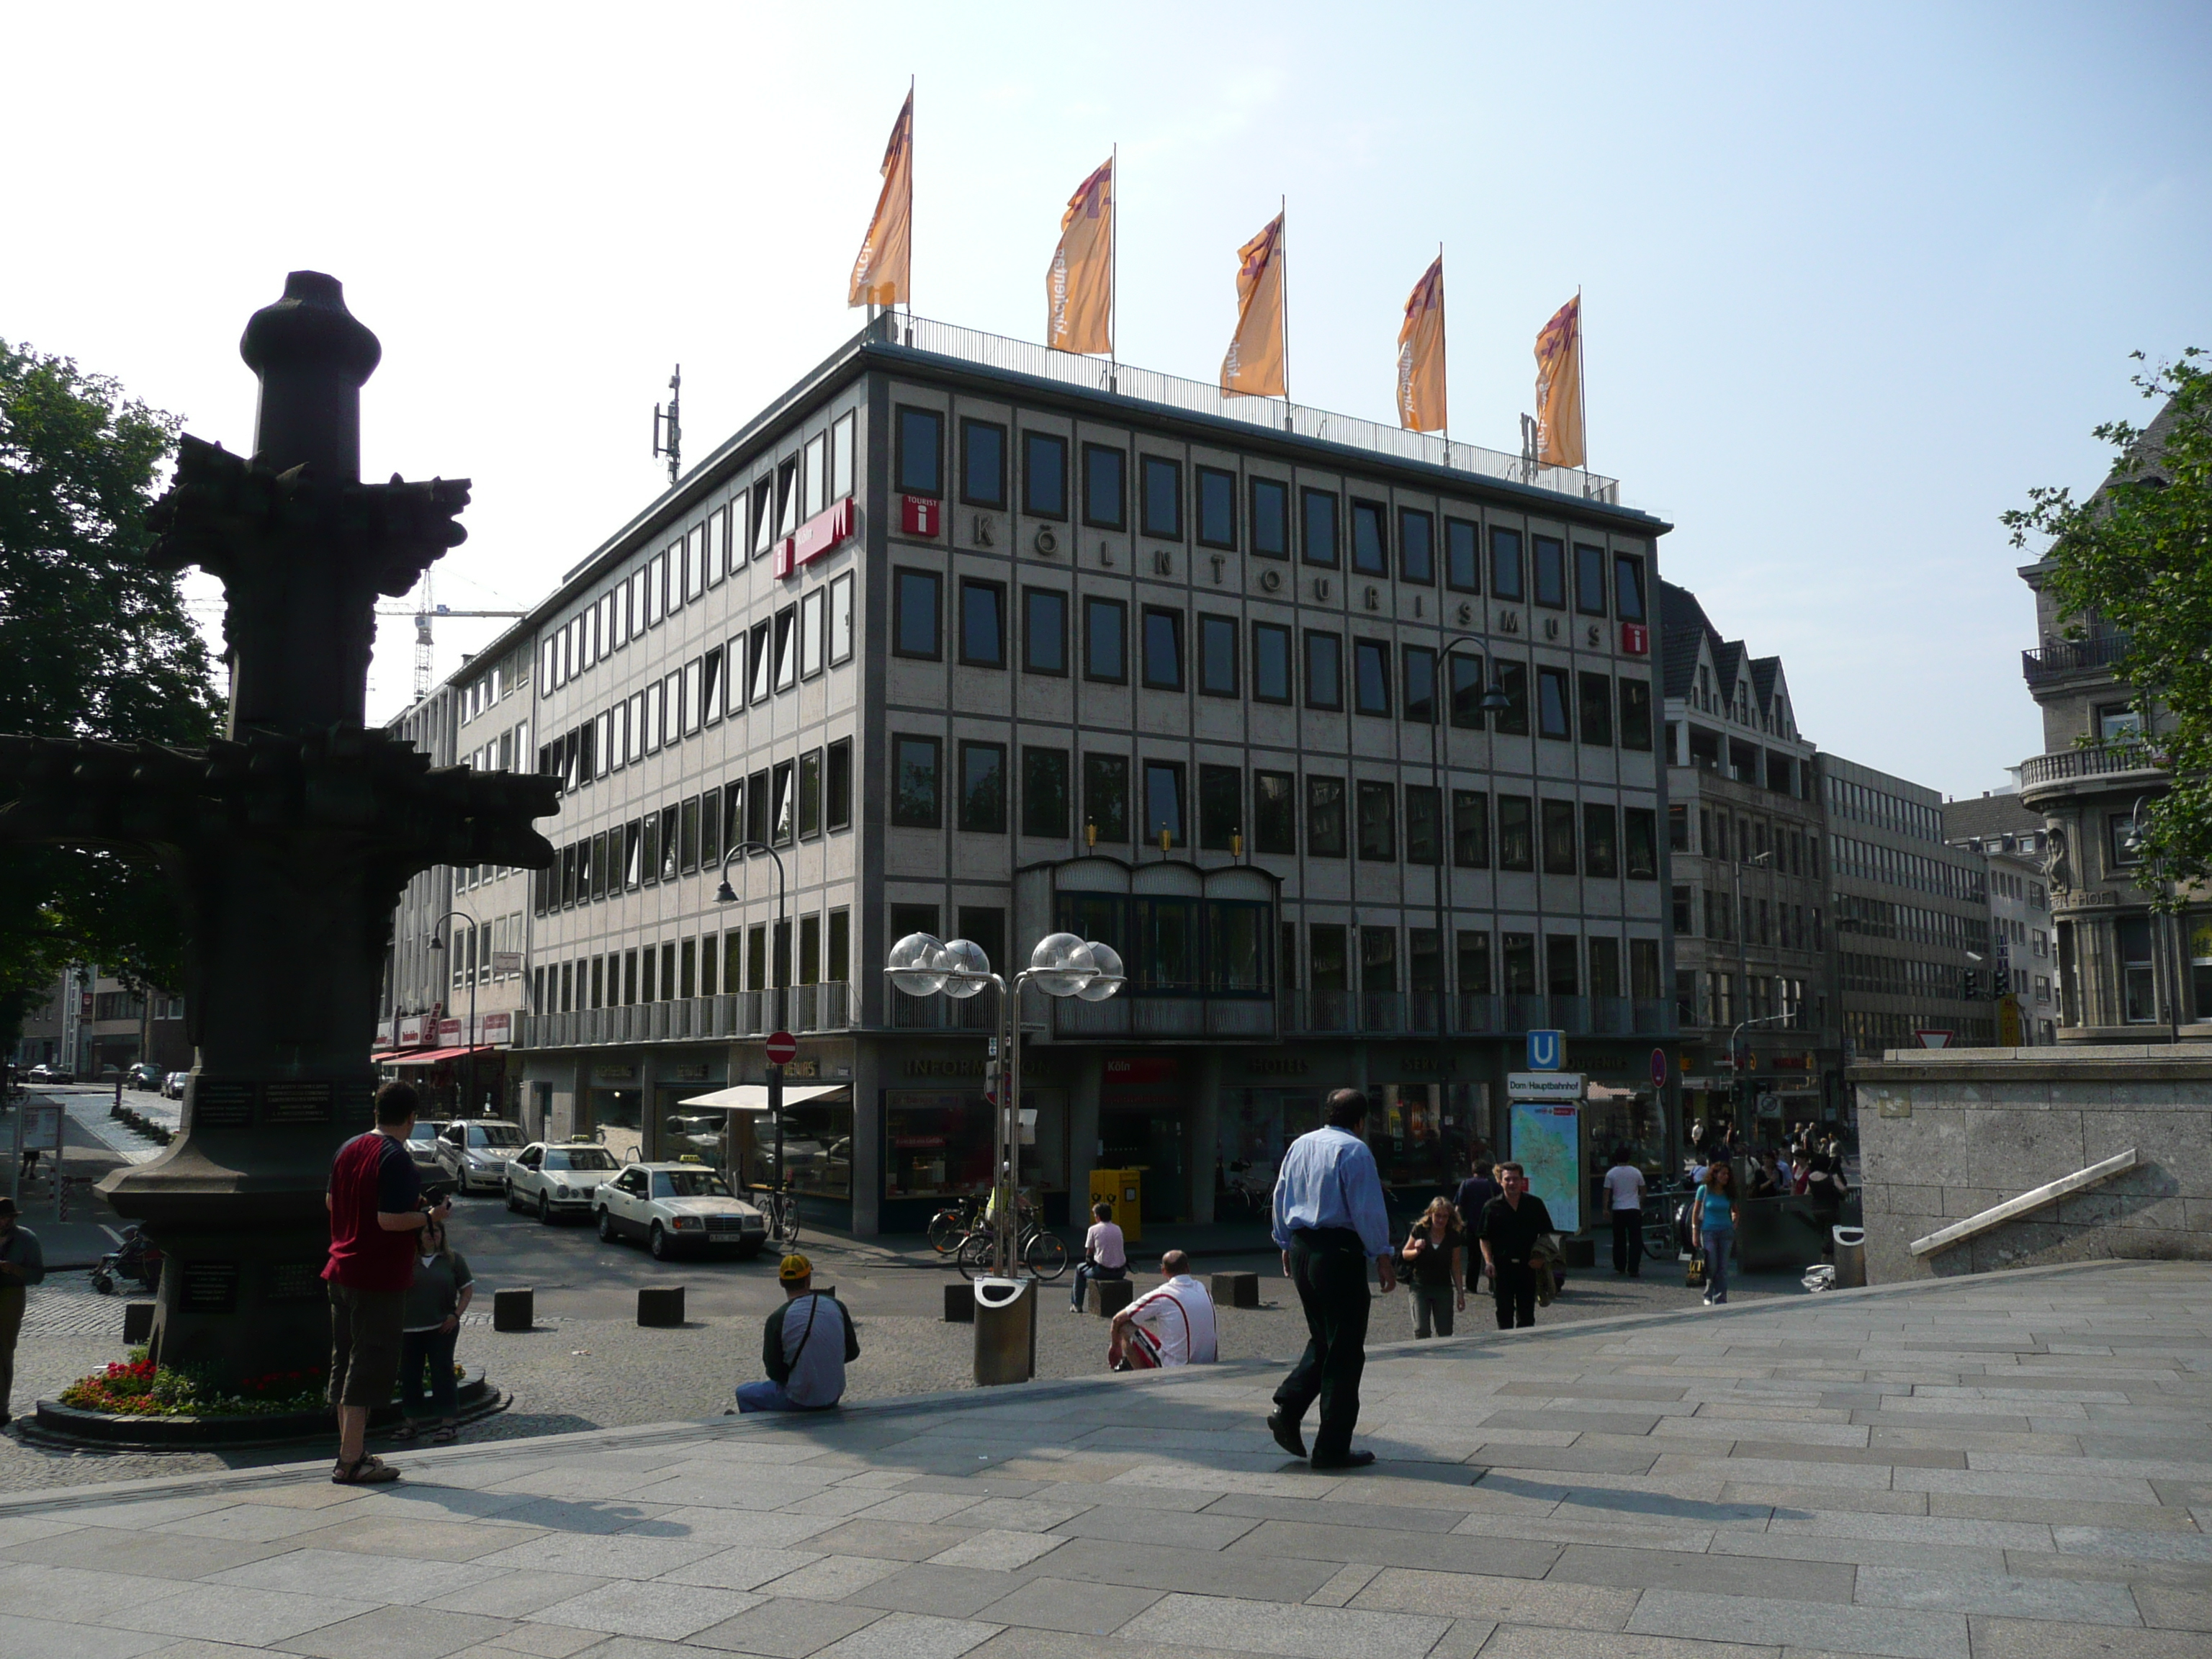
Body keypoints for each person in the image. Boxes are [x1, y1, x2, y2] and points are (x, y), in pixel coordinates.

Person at [325, 1080, 448, 1484]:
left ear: (376, 1112)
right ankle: (352, 1460)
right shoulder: (396, 1158)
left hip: (340, 1270)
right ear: (411, 1118)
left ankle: (351, 1452)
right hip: (376, 1277)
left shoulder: (349, 1147)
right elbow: (389, 1221)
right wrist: (432, 1217)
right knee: (368, 1366)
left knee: (344, 1361)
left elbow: (331, 1201)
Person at [1267, 1087, 1394, 1470]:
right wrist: (1382, 1255)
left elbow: (1281, 1195)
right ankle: (1332, 1447)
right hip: (1339, 1252)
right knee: (1345, 1350)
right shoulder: (1354, 1151)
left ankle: (1288, 1409)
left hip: (1304, 1246)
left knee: (1324, 1339)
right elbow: (1367, 1209)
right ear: (1361, 1120)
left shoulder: (1301, 1145)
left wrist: (1285, 1242)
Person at [739, 1253, 858, 1412]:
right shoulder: (837, 1306)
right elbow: (852, 1353)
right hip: (832, 1396)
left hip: (798, 1399)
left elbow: (775, 1372)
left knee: (743, 1393)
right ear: (808, 1280)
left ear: (781, 1283)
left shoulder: (778, 1318)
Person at [395, 1214, 473, 1444]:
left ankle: (448, 1422)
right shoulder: (407, 1260)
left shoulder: (452, 1260)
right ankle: (411, 1422)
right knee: (410, 1375)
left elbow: (466, 1290)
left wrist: (455, 1315)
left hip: (442, 1328)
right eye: (428, 1233)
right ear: (419, 1237)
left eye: (437, 1232)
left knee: (443, 1372)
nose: (432, 1236)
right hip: (409, 1329)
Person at [1478, 1162, 1556, 1331]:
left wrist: (1541, 1257)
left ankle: (1526, 1349)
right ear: (1500, 1181)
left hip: (1528, 1266)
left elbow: (1546, 1235)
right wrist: (1488, 1262)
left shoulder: (1534, 1204)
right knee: (1503, 1312)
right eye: (1507, 1179)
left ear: (1522, 1181)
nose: (1512, 1183)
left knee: (1527, 1314)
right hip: (1501, 1268)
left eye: (1515, 1179)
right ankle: (1507, 1347)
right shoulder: (1491, 1207)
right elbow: (1484, 1238)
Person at [1109, 1250, 1218, 1369]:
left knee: (1125, 1327)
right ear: (1188, 1268)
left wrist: (1115, 1346)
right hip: (1210, 1363)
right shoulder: (1203, 1289)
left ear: (1163, 1271)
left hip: (1178, 1367)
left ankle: (1145, 1378)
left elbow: (1117, 1319)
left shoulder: (1164, 1294)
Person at [0, 1197, 45, 1428]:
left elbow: (38, 1276)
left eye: (6, 1218)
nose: (3, 1222)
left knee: (3, 1350)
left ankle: (1, 1407)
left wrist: (15, 1269)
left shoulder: (26, 1239)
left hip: (11, 1295)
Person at [1400, 1197, 1465, 1337]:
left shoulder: (1453, 1236)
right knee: (1421, 1330)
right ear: (1430, 1214)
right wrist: (1416, 1251)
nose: (1441, 1220)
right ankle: (1425, 1358)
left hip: (1443, 1288)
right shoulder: (1420, 1230)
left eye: (1445, 1216)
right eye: (1438, 1216)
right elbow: (1405, 1254)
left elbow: (1456, 1265)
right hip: (1420, 1287)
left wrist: (1460, 1293)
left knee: (1445, 1332)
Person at [1690, 1159, 1740, 1305]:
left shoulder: (1728, 1192)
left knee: (1723, 1267)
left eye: (1728, 1174)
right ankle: (1708, 1293)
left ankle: (1721, 1298)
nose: (1726, 1177)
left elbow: (1736, 1211)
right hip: (1708, 1231)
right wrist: (1695, 1232)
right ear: (1715, 1174)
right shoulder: (1704, 1190)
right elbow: (1696, 1211)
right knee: (1712, 1265)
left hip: (1726, 1232)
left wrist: (1733, 1225)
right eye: (1723, 1174)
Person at [1069, 1200, 1128, 1313]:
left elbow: (1089, 1252)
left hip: (1103, 1271)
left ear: (1099, 1217)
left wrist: (1090, 1259)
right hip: (1121, 1271)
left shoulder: (1093, 1229)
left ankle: (1077, 1304)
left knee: (1079, 1269)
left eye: (1095, 1215)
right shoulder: (1118, 1229)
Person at [1603, 1148, 1647, 1278]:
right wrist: (1640, 1202)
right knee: (1635, 1239)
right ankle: (1634, 1268)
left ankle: (1620, 1266)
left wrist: (1605, 1208)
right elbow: (1643, 1190)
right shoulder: (1636, 1172)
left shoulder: (1611, 1174)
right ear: (1629, 1158)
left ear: (1616, 1158)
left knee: (1619, 1239)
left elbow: (1606, 1193)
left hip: (1618, 1209)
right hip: (1633, 1208)